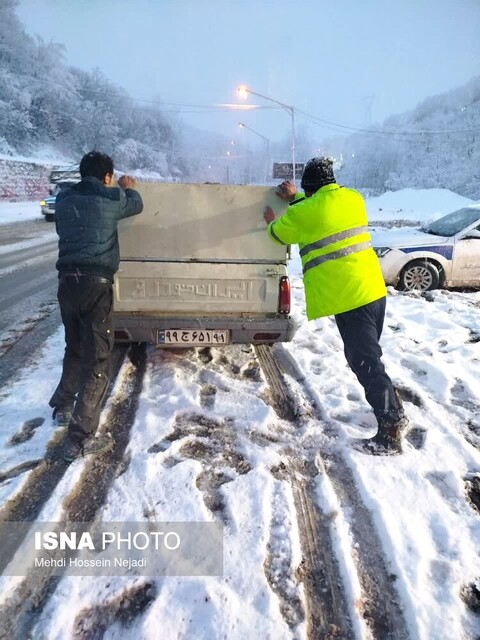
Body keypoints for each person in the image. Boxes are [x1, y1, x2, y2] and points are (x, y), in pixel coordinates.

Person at [264, 157, 408, 454]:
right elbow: (319, 206)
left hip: (349, 298)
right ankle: (391, 404)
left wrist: (271, 220)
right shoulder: (352, 198)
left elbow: (278, 233)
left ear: (309, 188)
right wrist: (298, 198)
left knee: (365, 361)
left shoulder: (304, 212)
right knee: (370, 357)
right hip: (372, 291)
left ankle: (392, 428)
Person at [49, 151, 144, 463]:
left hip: (67, 282)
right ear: (107, 177)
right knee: (99, 358)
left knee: (73, 345)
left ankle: (63, 406)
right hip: (96, 285)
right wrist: (127, 186)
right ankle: (81, 438)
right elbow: (137, 204)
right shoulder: (113, 199)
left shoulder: (63, 200)